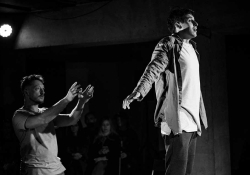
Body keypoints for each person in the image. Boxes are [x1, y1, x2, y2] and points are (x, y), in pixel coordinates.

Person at [122, 7, 208, 175]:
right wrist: (138, 91)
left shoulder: (192, 48)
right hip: (177, 118)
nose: (196, 23)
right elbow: (153, 68)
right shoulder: (168, 44)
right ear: (178, 24)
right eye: (190, 20)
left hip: (192, 121)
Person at [12, 74, 94, 175]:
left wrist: (81, 102)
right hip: (35, 169)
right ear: (26, 92)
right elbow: (42, 119)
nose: (42, 92)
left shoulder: (46, 111)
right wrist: (67, 99)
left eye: (43, 89)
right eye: (38, 89)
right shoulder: (19, 115)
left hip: (56, 168)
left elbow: (71, 119)